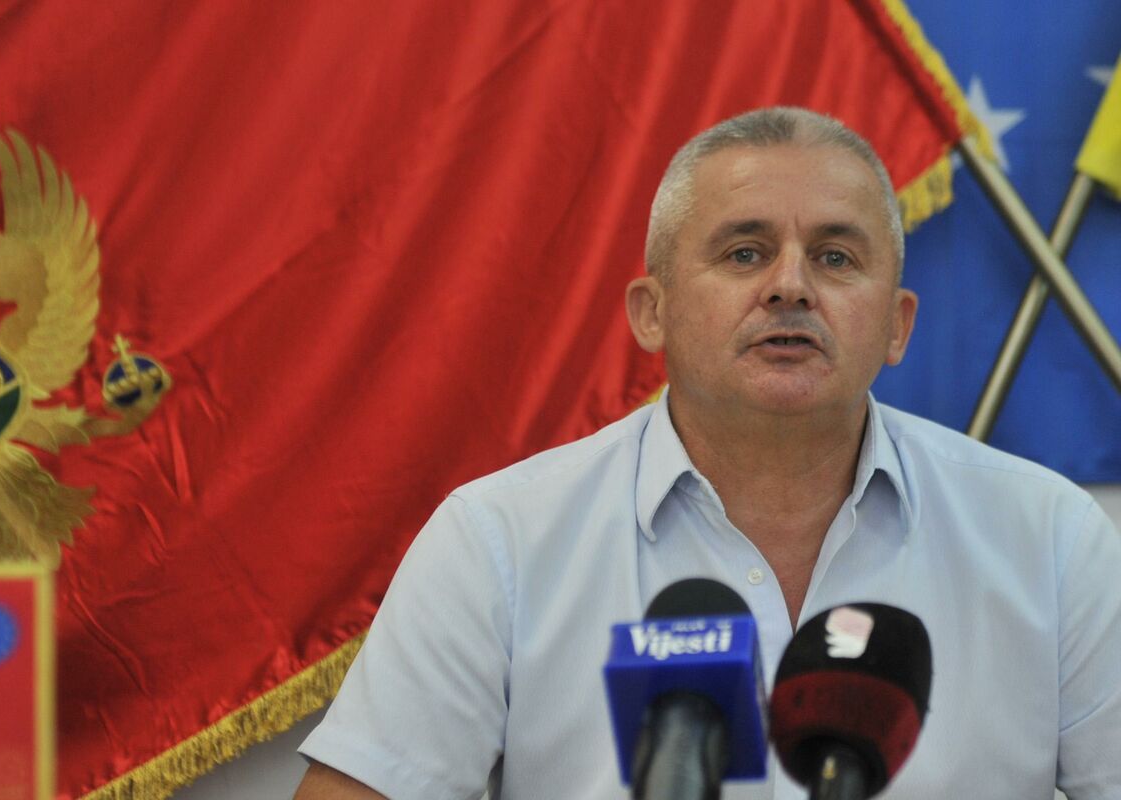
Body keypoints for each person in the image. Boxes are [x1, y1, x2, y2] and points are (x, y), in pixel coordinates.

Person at [293, 107, 1121, 799]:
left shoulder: (1048, 538)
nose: (790, 286)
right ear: (650, 312)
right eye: (744, 253)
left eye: (835, 257)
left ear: (898, 325)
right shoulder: (499, 541)